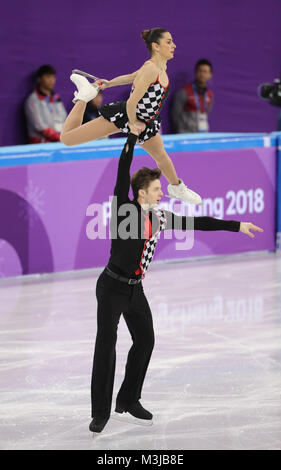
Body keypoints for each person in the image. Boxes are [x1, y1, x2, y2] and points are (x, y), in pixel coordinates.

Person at [89, 128, 263, 434]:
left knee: (145, 340)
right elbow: (121, 172)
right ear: (142, 192)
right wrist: (131, 138)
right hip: (111, 287)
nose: (162, 192)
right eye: (157, 188)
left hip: (135, 290)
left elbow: (199, 223)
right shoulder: (123, 209)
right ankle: (100, 412)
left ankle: (129, 399)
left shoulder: (161, 217)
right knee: (107, 346)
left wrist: (237, 225)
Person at [60, 28, 202, 205]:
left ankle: (177, 188)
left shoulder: (157, 67)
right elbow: (131, 103)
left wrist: (109, 83)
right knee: (67, 139)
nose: (174, 45)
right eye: (169, 42)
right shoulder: (151, 69)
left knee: (161, 155)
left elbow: (131, 77)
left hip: (145, 121)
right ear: (156, 46)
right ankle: (83, 96)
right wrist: (133, 123)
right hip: (128, 117)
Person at [24, 65, 67, 144]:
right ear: (39, 79)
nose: (52, 80)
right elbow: (39, 126)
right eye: (48, 77)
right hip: (42, 143)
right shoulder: (33, 100)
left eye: (53, 77)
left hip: (59, 141)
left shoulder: (56, 98)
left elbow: (64, 117)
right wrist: (59, 137)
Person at [171, 59, 214, 133]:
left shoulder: (209, 95)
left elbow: (206, 112)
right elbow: (175, 115)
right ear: (196, 72)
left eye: (205, 72)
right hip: (185, 134)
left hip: (202, 133)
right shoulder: (184, 92)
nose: (202, 74)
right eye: (200, 71)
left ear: (210, 75)